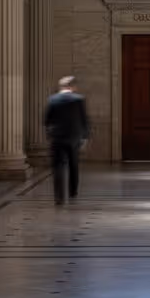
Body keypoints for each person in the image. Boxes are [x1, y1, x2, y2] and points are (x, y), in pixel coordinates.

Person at [44, 76, 89, 205]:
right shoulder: (79, 99)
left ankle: (59, 196)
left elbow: (47, 120)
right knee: (73, 165)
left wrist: (50, 135)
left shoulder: (52, 99)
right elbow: (84, 119)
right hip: (74, 138)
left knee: (58, 167)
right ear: (73, 86)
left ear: (61, 87)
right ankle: (72, 191)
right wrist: (85, 137)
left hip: (57, 138)